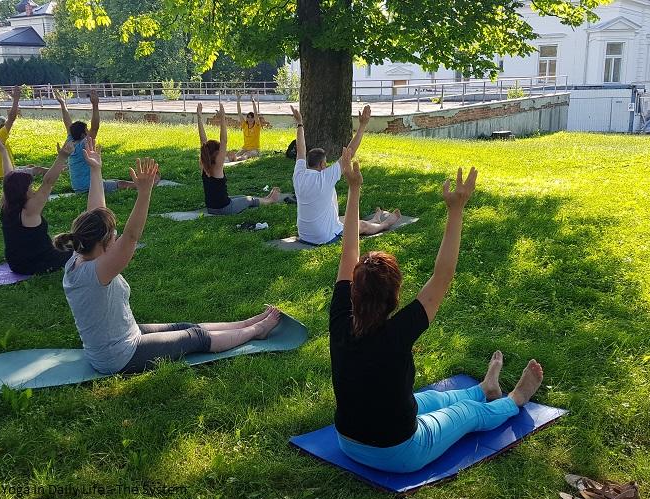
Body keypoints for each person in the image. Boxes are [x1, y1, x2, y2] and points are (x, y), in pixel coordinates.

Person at [329, 154, 544, 473]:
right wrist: (456, 210)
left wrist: (355, 188)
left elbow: (349, 251)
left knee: (432, 401)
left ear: (353, 290)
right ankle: (514, 399)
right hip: (399, 454)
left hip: (347, 442)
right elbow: (443, 275)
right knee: (468, 415)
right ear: (395, 297)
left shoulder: (340, 318)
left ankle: (484, 389)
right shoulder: (398, 331)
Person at [55, 137, 282, 374]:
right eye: (113, 235)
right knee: (195, 337)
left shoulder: (78, 257)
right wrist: (144, 192)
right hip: (119, 355)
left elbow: (96, 214)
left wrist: (96, 170)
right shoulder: (98, 271)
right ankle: (257, 331)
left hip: (124, 334)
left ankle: (248, 323)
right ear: (102, 243)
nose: (117, 236)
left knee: (184, 326)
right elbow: (132, 237)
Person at [291, 104, 401, 246]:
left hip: (304, 234)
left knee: (343, 218)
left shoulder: (298, 175)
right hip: (324, 237)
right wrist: (362, 125)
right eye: (326, 163)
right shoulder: (325, 177)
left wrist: (300, 123)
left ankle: (374, 220)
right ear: (322, 165)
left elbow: (300, 150)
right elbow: (350, 153)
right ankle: (384, 224)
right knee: (360, 225)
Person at [0, 138, 75, 275]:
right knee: (83, 248)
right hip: (38, 263)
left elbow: (8, 178)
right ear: (23, 190)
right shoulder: (30, 210)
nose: (33, 189)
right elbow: (48, 183)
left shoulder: (6, 203)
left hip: (15, 263)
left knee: (68, 240)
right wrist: (62, 156)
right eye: (30, 186)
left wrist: (3, 152)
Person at [196, 102, 281, 215]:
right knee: (249, 200)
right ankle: (270, 200)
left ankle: (265, 199)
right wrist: (222, 118)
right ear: (216, 153)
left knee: (242, 197)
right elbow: (224, 141)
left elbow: (203, 141)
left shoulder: (204, 164)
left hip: (211, 207)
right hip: (224, 209)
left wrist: (199, 117)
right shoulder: (217, 165)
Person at [55, 90, 142, 194]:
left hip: (77, 187)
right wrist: (95, 104)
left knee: (113, 181)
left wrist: (63, 104)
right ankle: (143, 186)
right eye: (87, 130)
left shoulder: (70, 141)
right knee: (121, 184)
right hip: (90, 186)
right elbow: (95, 127)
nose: (89, 132)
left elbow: (67, 122)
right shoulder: (84, 144)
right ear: (83, 134)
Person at [0, 87, 47, 179]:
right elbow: (12, 118)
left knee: (30, 166)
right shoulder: (0, 136)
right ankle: (58, 170)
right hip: (5, 174)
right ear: (1, 126)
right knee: (37, 169)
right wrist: (16, 99)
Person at [233, 93, 262, 160]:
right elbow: (239, 113)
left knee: (246, 155)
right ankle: (236, 159)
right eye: (248, 117)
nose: (250, 119)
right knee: (236, 154)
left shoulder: (256, 126)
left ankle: (240, 159)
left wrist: (253, 101)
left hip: (255, 150)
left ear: (254, 118)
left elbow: (256, 113)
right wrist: (238, 100)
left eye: (251, 117)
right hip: (245, 148)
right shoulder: (245, 125)